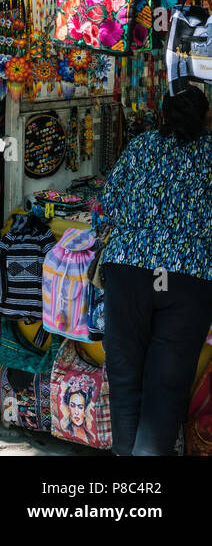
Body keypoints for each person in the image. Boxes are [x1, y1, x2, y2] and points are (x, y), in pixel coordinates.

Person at [100, 86, 212, 455]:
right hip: (186, 276)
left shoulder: (142, 146)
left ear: (163, 114)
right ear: (205, 118)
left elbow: (109, 202)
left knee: (125, 375)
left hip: (130, 270)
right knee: (167, 382)